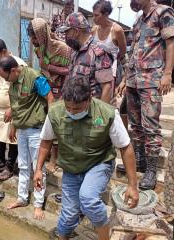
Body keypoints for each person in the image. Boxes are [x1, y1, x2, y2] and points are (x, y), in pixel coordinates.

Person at [34, 77, 139, 240]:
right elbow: (46, 140)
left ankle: (104, 236)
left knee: (88, 198)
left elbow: (125, 147)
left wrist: (132, 185)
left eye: (76, 109)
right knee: (69, 214)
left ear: (89, 100)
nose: (71, 112)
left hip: (99, 162)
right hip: (71, 167)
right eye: (68, 108)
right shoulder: (55, 112)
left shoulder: (107, 113)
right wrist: (38, 169)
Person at [0, 56, 54, 220]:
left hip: (36, 130)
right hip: (21, 129)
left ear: (14, 70)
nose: (6, 81)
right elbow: (16, 106)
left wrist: (49, 127)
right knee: (22, 165)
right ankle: (22, 198)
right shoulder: (12, 84)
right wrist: (14, 125)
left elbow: (50, 98)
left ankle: (38, 204)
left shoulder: (34, 77)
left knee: (38, 167)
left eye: (6, 77)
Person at [125, 0, 174, 190]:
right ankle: (140, 162)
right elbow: (133, 51)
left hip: (151, 80)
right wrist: (124, 79)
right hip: (133, 80)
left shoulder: (163, 12)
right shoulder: (138, 21)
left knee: (150, 126)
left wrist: (168, 74)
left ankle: (151, 171)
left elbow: (171, 43)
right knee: (135, 124)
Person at [27, 17, 71, 174]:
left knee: (57, 123)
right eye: (31, 37)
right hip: (47, 89)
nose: (32, 41)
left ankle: (55, 159)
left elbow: (70, 70)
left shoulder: (62, 48)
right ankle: (48, 155)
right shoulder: (40, 48)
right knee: (47, 123)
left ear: (42, 34)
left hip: (63, 90)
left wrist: (49, 66)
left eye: (34, 37)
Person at [0, 39, 27, 181]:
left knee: (12, 139)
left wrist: (12, 108)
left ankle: (9, 167)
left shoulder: (19, 64)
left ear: (3, 52)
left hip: (13, 109)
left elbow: (23, 91)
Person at [58, 12, 116, 105]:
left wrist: (100, 117)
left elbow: (107, 88)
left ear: (76, 32)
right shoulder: (75, 51)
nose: (65, 37)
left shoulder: (98, 51)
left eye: (67, 32)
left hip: (92, 110)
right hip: (76, 108)